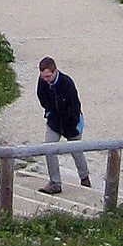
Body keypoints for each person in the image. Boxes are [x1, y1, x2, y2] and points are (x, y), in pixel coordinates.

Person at [34, 56, 91, 194]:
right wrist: (50, 112)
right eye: (43, 77)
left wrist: (73, 124)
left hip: (71, 122)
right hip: (54, 121)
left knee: (76, 151)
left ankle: (85, 178)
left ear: (55, 71)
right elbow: (41, 97)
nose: (45, 79)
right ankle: (55, 183)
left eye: (48, 76)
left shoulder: (67, 82)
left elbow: (75, 105)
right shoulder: (42, 82)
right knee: (48, 149)